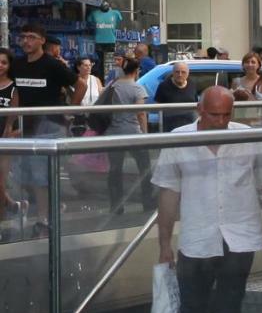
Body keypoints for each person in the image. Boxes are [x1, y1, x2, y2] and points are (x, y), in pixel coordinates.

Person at [152, 87, 262, 313]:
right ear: (200, 110)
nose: (221, 121)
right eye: (214, 114)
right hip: (197, 238)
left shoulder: (248, 136)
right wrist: (164, 244)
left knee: (229, 310)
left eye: (227, 114)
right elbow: (168, 193)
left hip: (240, 237)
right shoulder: (178, 140)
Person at [12, 23, 87, 233]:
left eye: (32, 37)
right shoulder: (18, 64)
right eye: (23, 37)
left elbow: (81, 84)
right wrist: (11, 122)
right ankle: (51, 207)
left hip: (49, 126)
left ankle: (43, 219)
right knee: (26, 174)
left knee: (39, 174)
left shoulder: (51, 64)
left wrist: (71, 111)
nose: (27, 41)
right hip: (27, 127)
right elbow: (16, 93)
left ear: (42, 40)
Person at [100, 57, 154, 213]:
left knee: (115, 169)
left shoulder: (112, 86)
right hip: (132, 132)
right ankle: (147, 201)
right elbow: (140, 113)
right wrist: (145, 134)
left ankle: (116, 205)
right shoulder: (137, 89)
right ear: (137, 71)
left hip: (113, 133)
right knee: (144, 167)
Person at [0, 49, 21, 210]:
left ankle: (8, 204)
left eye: (4, 62)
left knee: (2, 175)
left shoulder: (14, 88)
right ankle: (11, 203)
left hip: (6, 138)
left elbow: (15, 115)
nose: (0, 66)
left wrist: (13, 132)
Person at [154, 60, 198, 132]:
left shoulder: (192, 84)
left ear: (188, 74)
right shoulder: (164, 86)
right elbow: (158, 107)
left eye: (183, 72)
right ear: (173, 73)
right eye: (177, 72)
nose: (180, 74)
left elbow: (195, 106)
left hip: (189, 128)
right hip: (170, 129)